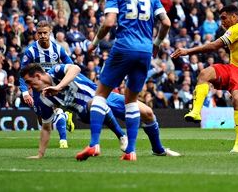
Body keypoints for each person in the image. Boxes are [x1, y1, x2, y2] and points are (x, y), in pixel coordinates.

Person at [87, 0, 171, 161]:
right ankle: (130, 151)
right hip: (144, 51)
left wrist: (95, 43)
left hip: (124, 46)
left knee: (100, 95)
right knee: (132, 100)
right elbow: (166, 23)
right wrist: (156, 46)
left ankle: (94, 144)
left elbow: (108, 23)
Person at [21, 63, 180, 159]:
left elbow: (75, 68)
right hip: (85, 110)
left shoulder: (56, 71)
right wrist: (40, 154)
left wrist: (58, 87)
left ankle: (158, 150)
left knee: (147, 113)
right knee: (95, 102)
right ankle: (120, 136)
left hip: (105, 95)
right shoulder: (42, 99)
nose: (29, 87)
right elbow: (46, 128)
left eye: (29, 82)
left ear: (38, 76)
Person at [171, 4, 238, 153]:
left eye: (224, 18)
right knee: (205, 74)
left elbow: (214, 46)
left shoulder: (237, 28)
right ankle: (195, 112)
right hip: (233, 68)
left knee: (237, 97)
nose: (222, 22)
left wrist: (188, 51)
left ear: (234, 16)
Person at [20, 21, 125, 149]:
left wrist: (78, 83)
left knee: (121, 107)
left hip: (58, 85)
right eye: (39, 33)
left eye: (45, 33)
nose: (42, 36)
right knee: (42, 120)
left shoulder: (58, 49)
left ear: (50, 33)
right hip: (39, 88)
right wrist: (25, 92)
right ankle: (62, 116)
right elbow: (22, 72)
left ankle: (64, 128)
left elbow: (72, 66)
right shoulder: (30, 51)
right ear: (36, 34)